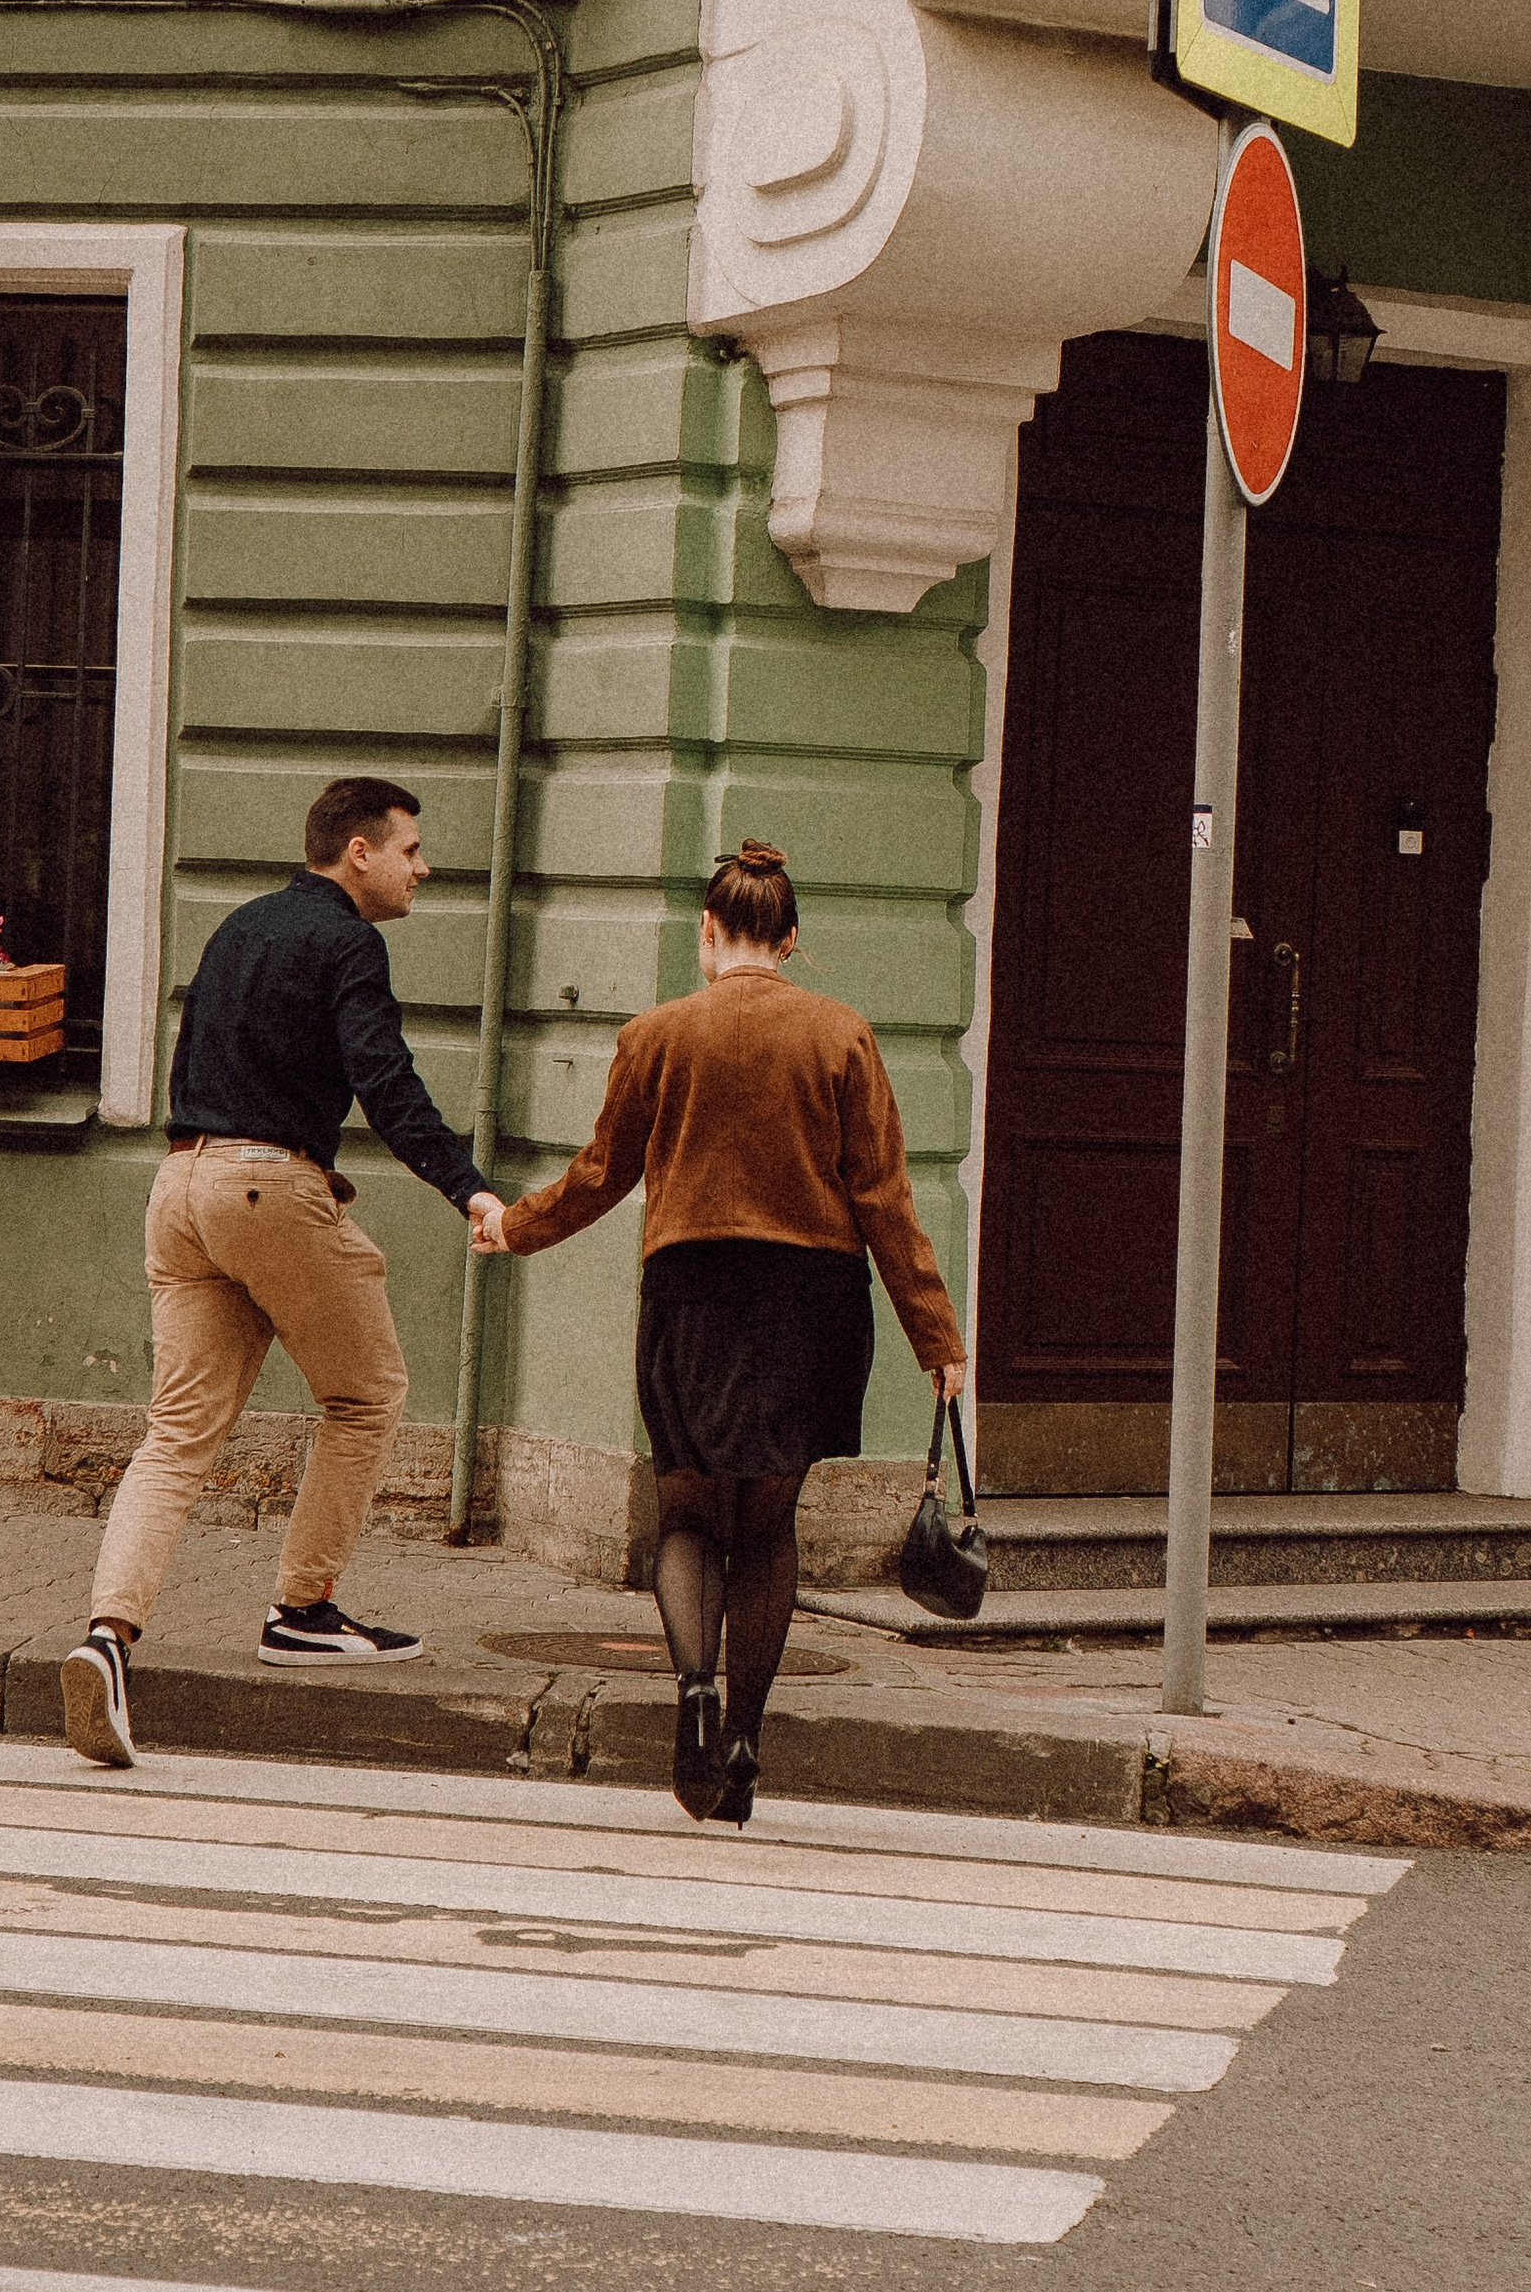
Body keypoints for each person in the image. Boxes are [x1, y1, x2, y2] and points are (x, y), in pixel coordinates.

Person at [470, 840, 964, 1826]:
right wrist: (937, 1337)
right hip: (809, 1295)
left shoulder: (656, 1035)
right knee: (768, 1528)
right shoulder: (842, 1037)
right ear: (789, 942)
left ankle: (692, 1685)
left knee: (690, 1517)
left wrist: (511, 1227)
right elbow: (884, 1200)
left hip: (691, 1289)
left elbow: (600, 1175)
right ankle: (741, 1736)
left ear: (707, 932)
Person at [62, 778, 492, 1772]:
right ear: (357, 851)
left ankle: (106, 1641)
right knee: (367, 1393)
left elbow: (191, 1062)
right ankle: (301, 1611)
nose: (422, 869)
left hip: (180, 1186)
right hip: (265, 1187)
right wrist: (468, 1190)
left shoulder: (240, 928)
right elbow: (385, 1081)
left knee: (176, 1436)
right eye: (411, 850)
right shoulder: (349, 943)